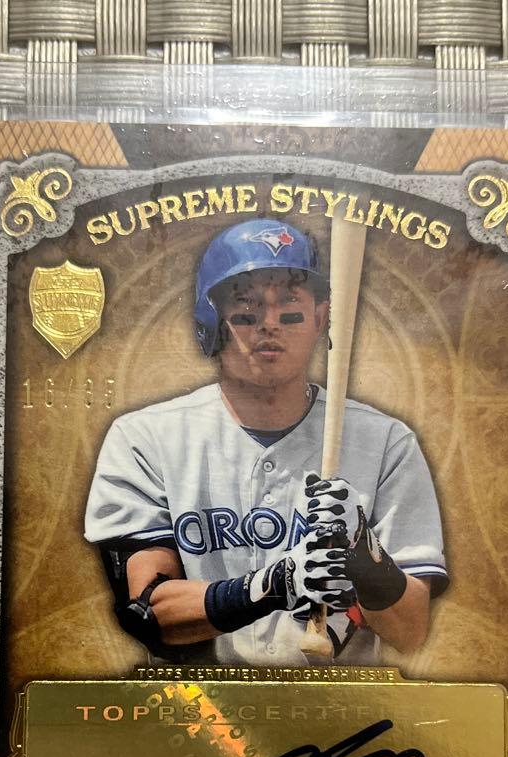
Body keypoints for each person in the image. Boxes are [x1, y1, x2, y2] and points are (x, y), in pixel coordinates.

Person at [84, 218, 447, 665]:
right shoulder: (146, 439)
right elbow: (151, 616)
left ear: (321, 319)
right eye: (247, 309)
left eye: (289, 309)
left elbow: (409, 631)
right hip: (195, 701)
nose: (270, 324)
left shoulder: (385, 442)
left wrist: (364, 555)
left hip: (339, 702)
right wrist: (275, 584)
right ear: (211, 322)